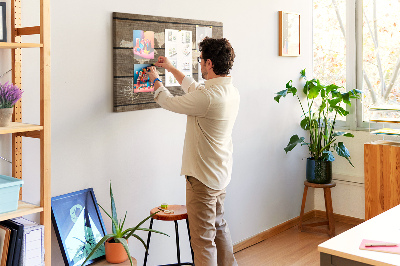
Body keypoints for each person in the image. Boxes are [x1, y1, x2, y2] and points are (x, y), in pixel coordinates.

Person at [144, 37, 239, 266]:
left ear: (209, 63)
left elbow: (169, 101)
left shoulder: (207, 98)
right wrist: (170, 68)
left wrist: (155, 79)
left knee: (203, 241)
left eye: (200, 61)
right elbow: (194, 88)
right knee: (219, 229)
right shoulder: (230, 92)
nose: (198, 65)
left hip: (202, 179)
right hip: (219, 175)